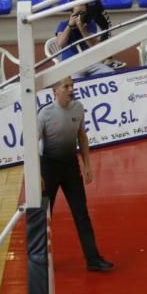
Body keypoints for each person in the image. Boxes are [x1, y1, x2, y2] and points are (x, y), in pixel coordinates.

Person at [37, 77, 114, 272]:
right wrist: (37, 174)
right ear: (55, 90)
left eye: (72, 86)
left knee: (82, 214)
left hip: (71, 167)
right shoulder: (44, 113)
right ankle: (39, 261)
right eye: (66, 86)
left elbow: (81, 135)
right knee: (44, 216)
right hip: (49, 169)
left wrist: (87, 165)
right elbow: (32, 144)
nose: (71, 89)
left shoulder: (78, 108)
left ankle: (93, 259)